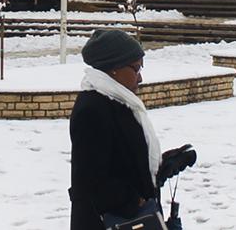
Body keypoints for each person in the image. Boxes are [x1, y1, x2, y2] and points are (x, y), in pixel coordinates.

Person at [69, 29, 166, 230]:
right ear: (114, 68)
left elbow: (126, 158)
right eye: (136, 69)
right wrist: (134, 199)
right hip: (106, 221)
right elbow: (90, 181)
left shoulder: (121, 102)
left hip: (130, 217)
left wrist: (164, 167)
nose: (140, 78)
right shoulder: (92, 109)